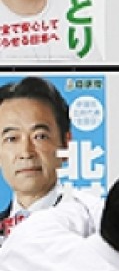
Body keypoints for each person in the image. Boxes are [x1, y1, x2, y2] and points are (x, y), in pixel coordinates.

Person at [0, 76, 72, 244]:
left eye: (39, 136)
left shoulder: (92, 229)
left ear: (66, 144)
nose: (26, 152)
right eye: (12, 138)